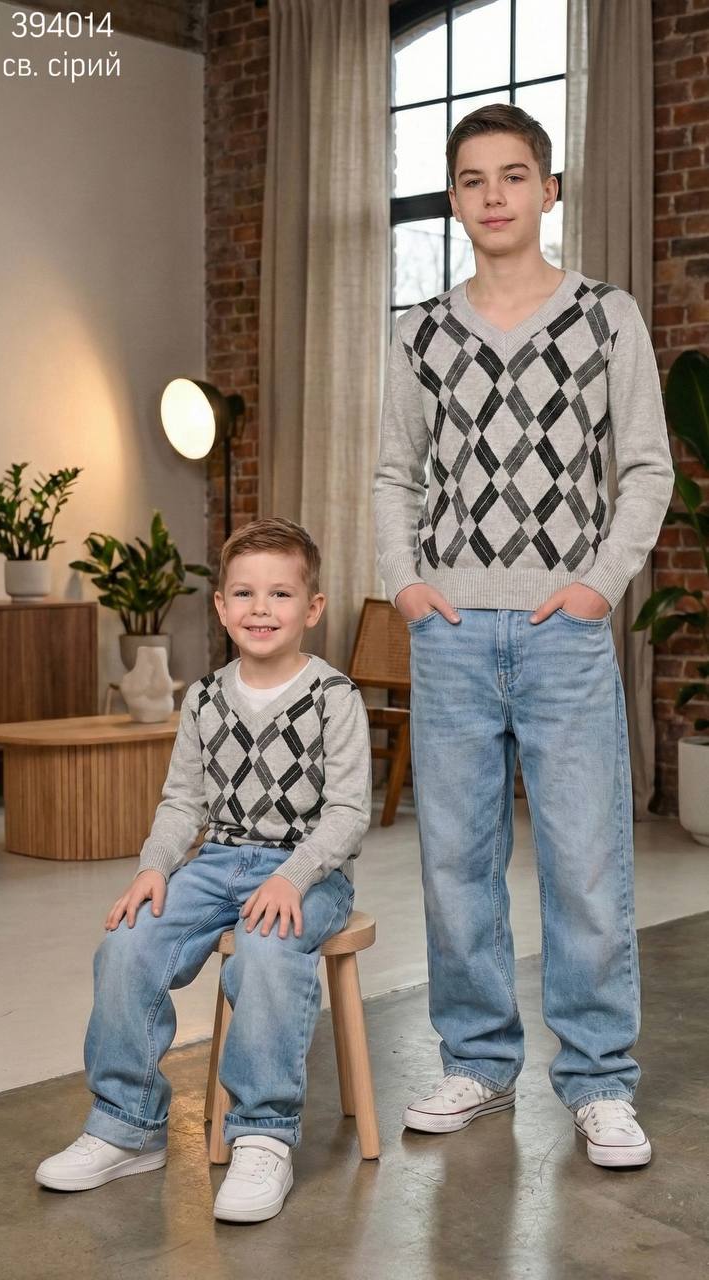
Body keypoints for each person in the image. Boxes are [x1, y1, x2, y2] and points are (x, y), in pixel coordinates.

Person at [373, 103, 674, 1168]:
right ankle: (478, 1060)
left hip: (563, 633)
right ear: (455, 202)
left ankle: (598, 1080)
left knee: (587, 864)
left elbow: (646, 468)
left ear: (548, 191)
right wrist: (408, 585)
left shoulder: (606, 317)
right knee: (455, 862)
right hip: (451, 631)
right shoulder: (419, 331)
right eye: (472, 179)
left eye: (512, 176)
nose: (492, 195)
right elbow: (396, 475)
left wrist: (596, 588)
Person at [35, 517, 372, 1220]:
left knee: (268, 949)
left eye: (280, 594)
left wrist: (292, 878)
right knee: (128, 943)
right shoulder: (205, 699)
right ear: (220, 606)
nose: (260, 609)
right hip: (215, 862)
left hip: (307, 873)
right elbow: (182, 801)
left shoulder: (335, 697)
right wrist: (153, 868)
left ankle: (262, 1135)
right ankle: (126, 1125)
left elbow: (347, 812)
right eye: (244, 593)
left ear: (312, 609)